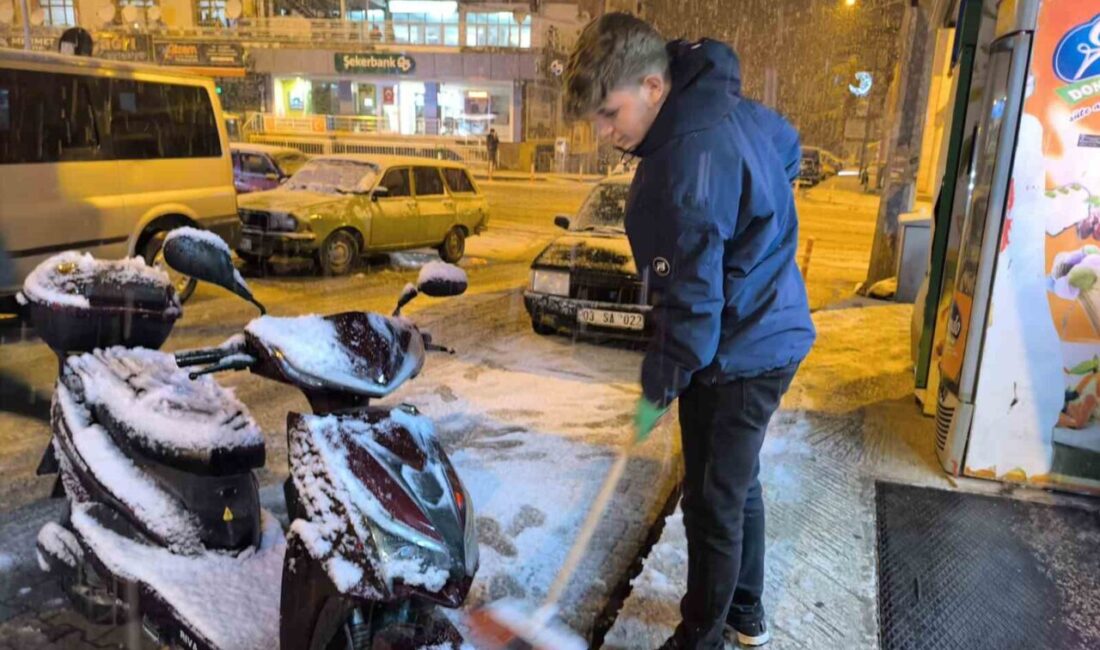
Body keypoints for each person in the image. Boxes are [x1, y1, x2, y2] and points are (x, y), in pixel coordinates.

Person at [563, 13, 815, 650]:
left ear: (653, 86)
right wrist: (757, 236)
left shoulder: (687, 166)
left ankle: (701, 638)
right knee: (735, 482)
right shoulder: (723, 107)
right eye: (595, 118)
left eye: (609, 113)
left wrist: (658, 387)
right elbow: (789, 149)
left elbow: (695, 316)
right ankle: (747, 612)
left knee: (709, 504)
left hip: (740, 350)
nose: (602, 133)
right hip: (767, 327)